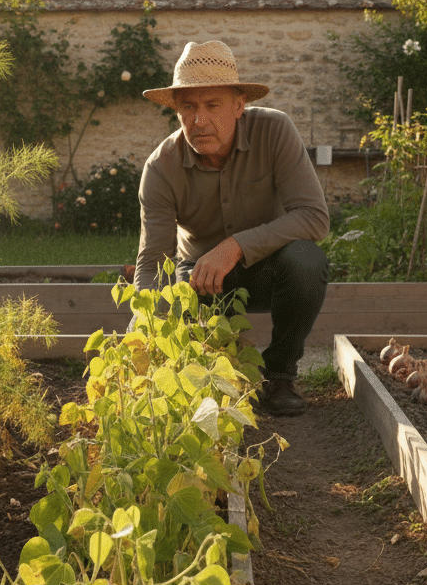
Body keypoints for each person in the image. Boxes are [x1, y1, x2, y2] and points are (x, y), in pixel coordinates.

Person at [134, 40, 329, 416]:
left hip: (271, 271)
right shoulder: (161, 168)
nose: (199, 120)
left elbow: (314, 216)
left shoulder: (274, 131)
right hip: (201, 280)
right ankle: (215, 377)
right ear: (176, 110)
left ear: (239, 106)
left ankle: (279, 375)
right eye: (188, 107)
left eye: (212, 105)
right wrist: (145, 328)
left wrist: (234, 246)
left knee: (306, 259)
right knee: (189, 319)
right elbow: (154, 261)